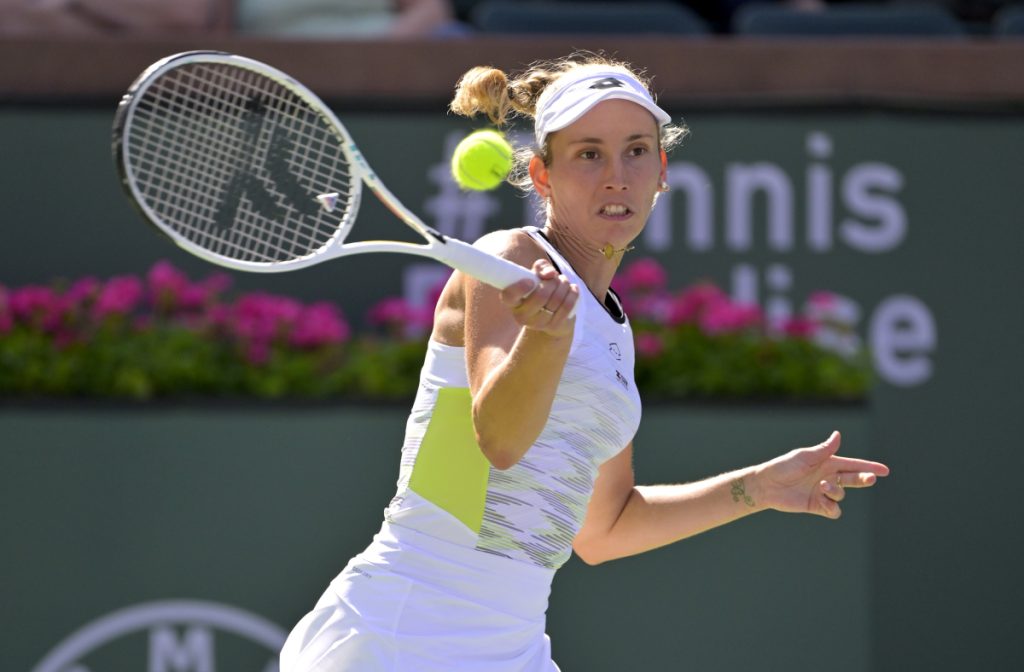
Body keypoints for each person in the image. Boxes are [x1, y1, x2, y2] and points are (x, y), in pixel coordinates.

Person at [279, 51, 890, 671]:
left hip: (511, 645)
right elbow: (499, 439)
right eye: (589, 154)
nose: (617, 176)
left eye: (636, 151)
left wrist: (757, 488)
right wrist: (544, 338)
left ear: (662, 171)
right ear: (542, 175)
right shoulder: (509, 258)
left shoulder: (614, 330)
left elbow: (603, 529)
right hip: (402, 629)